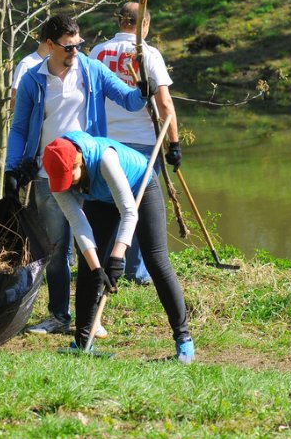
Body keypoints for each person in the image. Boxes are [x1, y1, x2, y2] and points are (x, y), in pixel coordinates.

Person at [5, 14, 149, 336]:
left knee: (92, 246)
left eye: (78, 45)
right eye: (68, 47)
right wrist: (12, 169)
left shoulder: (92, 70)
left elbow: (129, 101)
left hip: (91, 173)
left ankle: (91, 316)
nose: (75, 52)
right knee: (56, 250)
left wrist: (143, 88)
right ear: (49, 44)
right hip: (49, 176)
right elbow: (19, 129)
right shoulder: (32, 80)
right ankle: (59, 316)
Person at [41, 131, 195, 363]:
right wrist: (97, 268)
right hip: (102, 198)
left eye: (69, 176)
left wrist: (116, 259)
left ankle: (184, 340)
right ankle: (83, 340)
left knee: (155, 260)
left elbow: (129, 212)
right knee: (88, 266)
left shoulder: (105, 159)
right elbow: (78, 223)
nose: (67, 184)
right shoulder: (57, 178)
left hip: (139, 187)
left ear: (78, 161)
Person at [89, 2, 182, 285]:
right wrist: (174, 143)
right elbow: (164, 104)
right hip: (142, 142)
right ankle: (137, 271)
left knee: (109, 205)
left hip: (105, 141)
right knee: (141, 206)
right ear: (145, 25)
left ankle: (102, 263)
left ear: (119, 21)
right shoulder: (148, 54)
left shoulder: (97, 52)